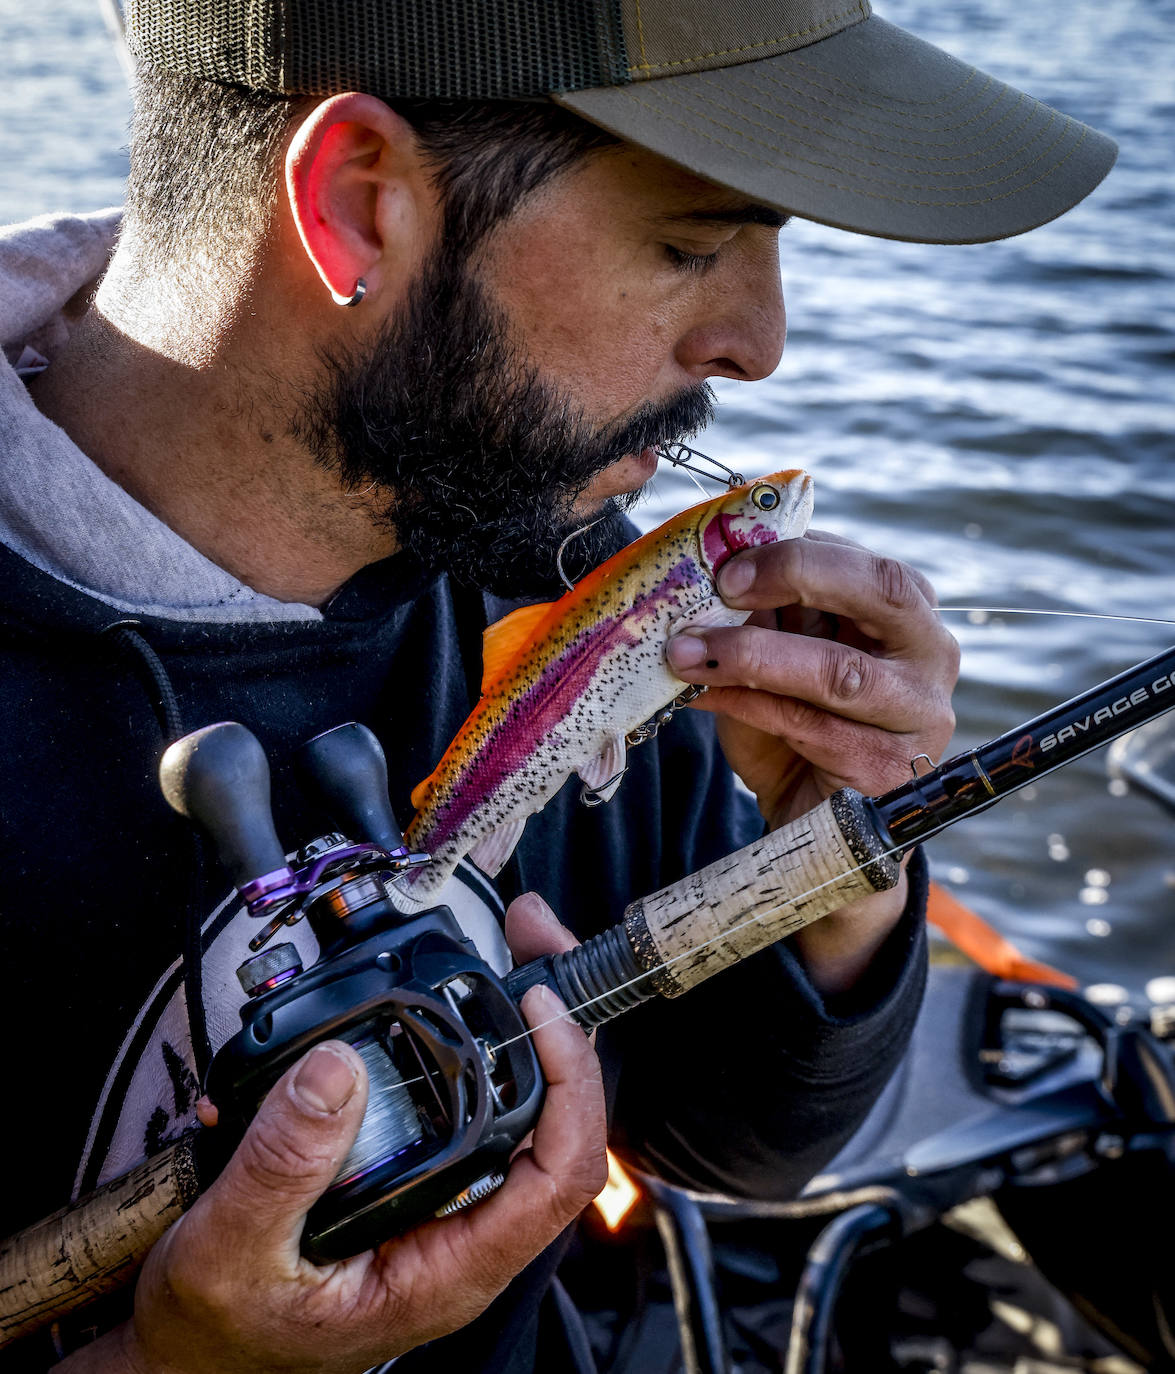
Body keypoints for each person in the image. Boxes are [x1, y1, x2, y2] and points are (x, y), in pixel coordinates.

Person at [0, 1, 1114, 1370]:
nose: (760, 342)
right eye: (692, 241)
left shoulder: (564, 574)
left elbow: (739, 1136)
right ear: (356, 202)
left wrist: (832, 867)